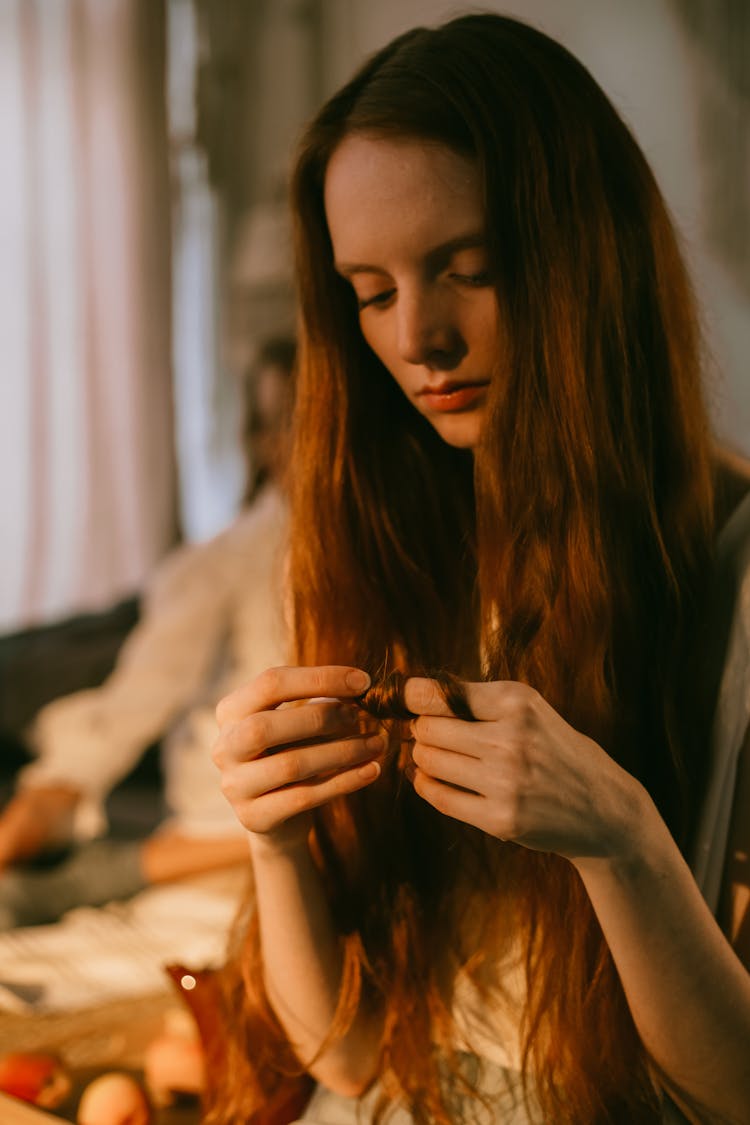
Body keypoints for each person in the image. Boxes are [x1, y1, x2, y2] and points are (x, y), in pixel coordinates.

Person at [209, 15, 750, 1125]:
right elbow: (353, 1062)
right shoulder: (382, 542)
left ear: (586, 268)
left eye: (473, 271)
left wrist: (626, 845)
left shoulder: (729, 567)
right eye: (372, 292)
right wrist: (273, 842)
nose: (419, 340)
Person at [0, 336, 295, 930]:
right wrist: (54, 794)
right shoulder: (227, 563)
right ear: (264, 441)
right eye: (290, 423)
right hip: (221, 858)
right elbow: (130, 707)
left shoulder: (421, 552)